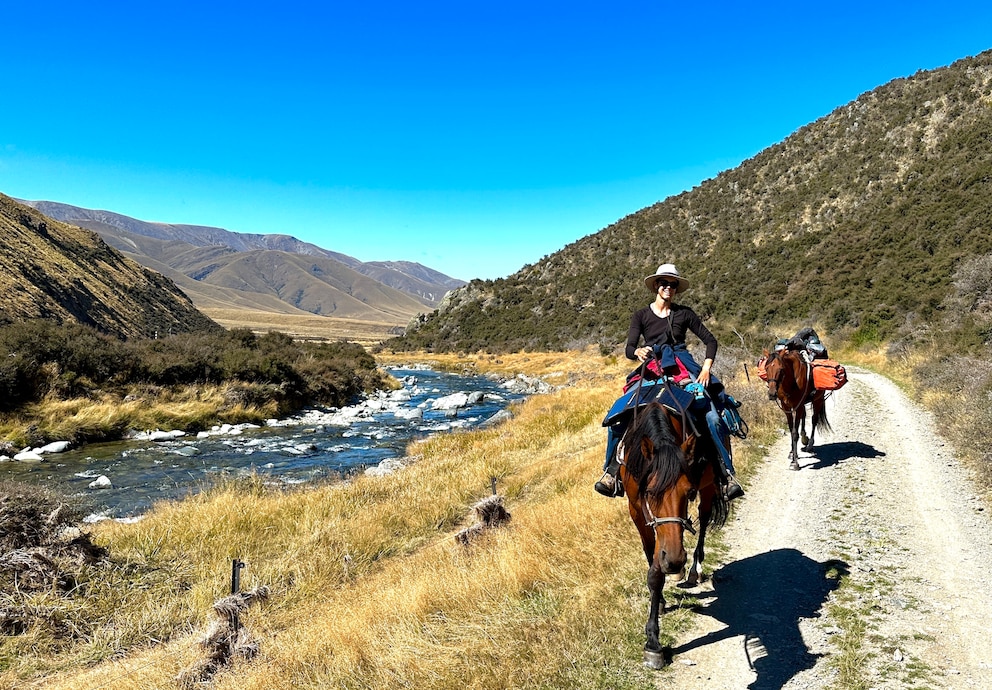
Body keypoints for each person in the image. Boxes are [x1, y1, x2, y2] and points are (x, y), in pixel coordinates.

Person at [594, 263, 744, 501]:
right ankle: (611, 473)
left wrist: (705, 370)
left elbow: (710, 341)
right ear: (656, 286)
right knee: (620, 413)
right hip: (652, 367)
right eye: (664, 283)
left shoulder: (684, 314)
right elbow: (629, 348)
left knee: (712, 416)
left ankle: (726, 475)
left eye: (673, 284)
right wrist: (637, 353)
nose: (668, 288)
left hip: (683, 366)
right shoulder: (641, 315)